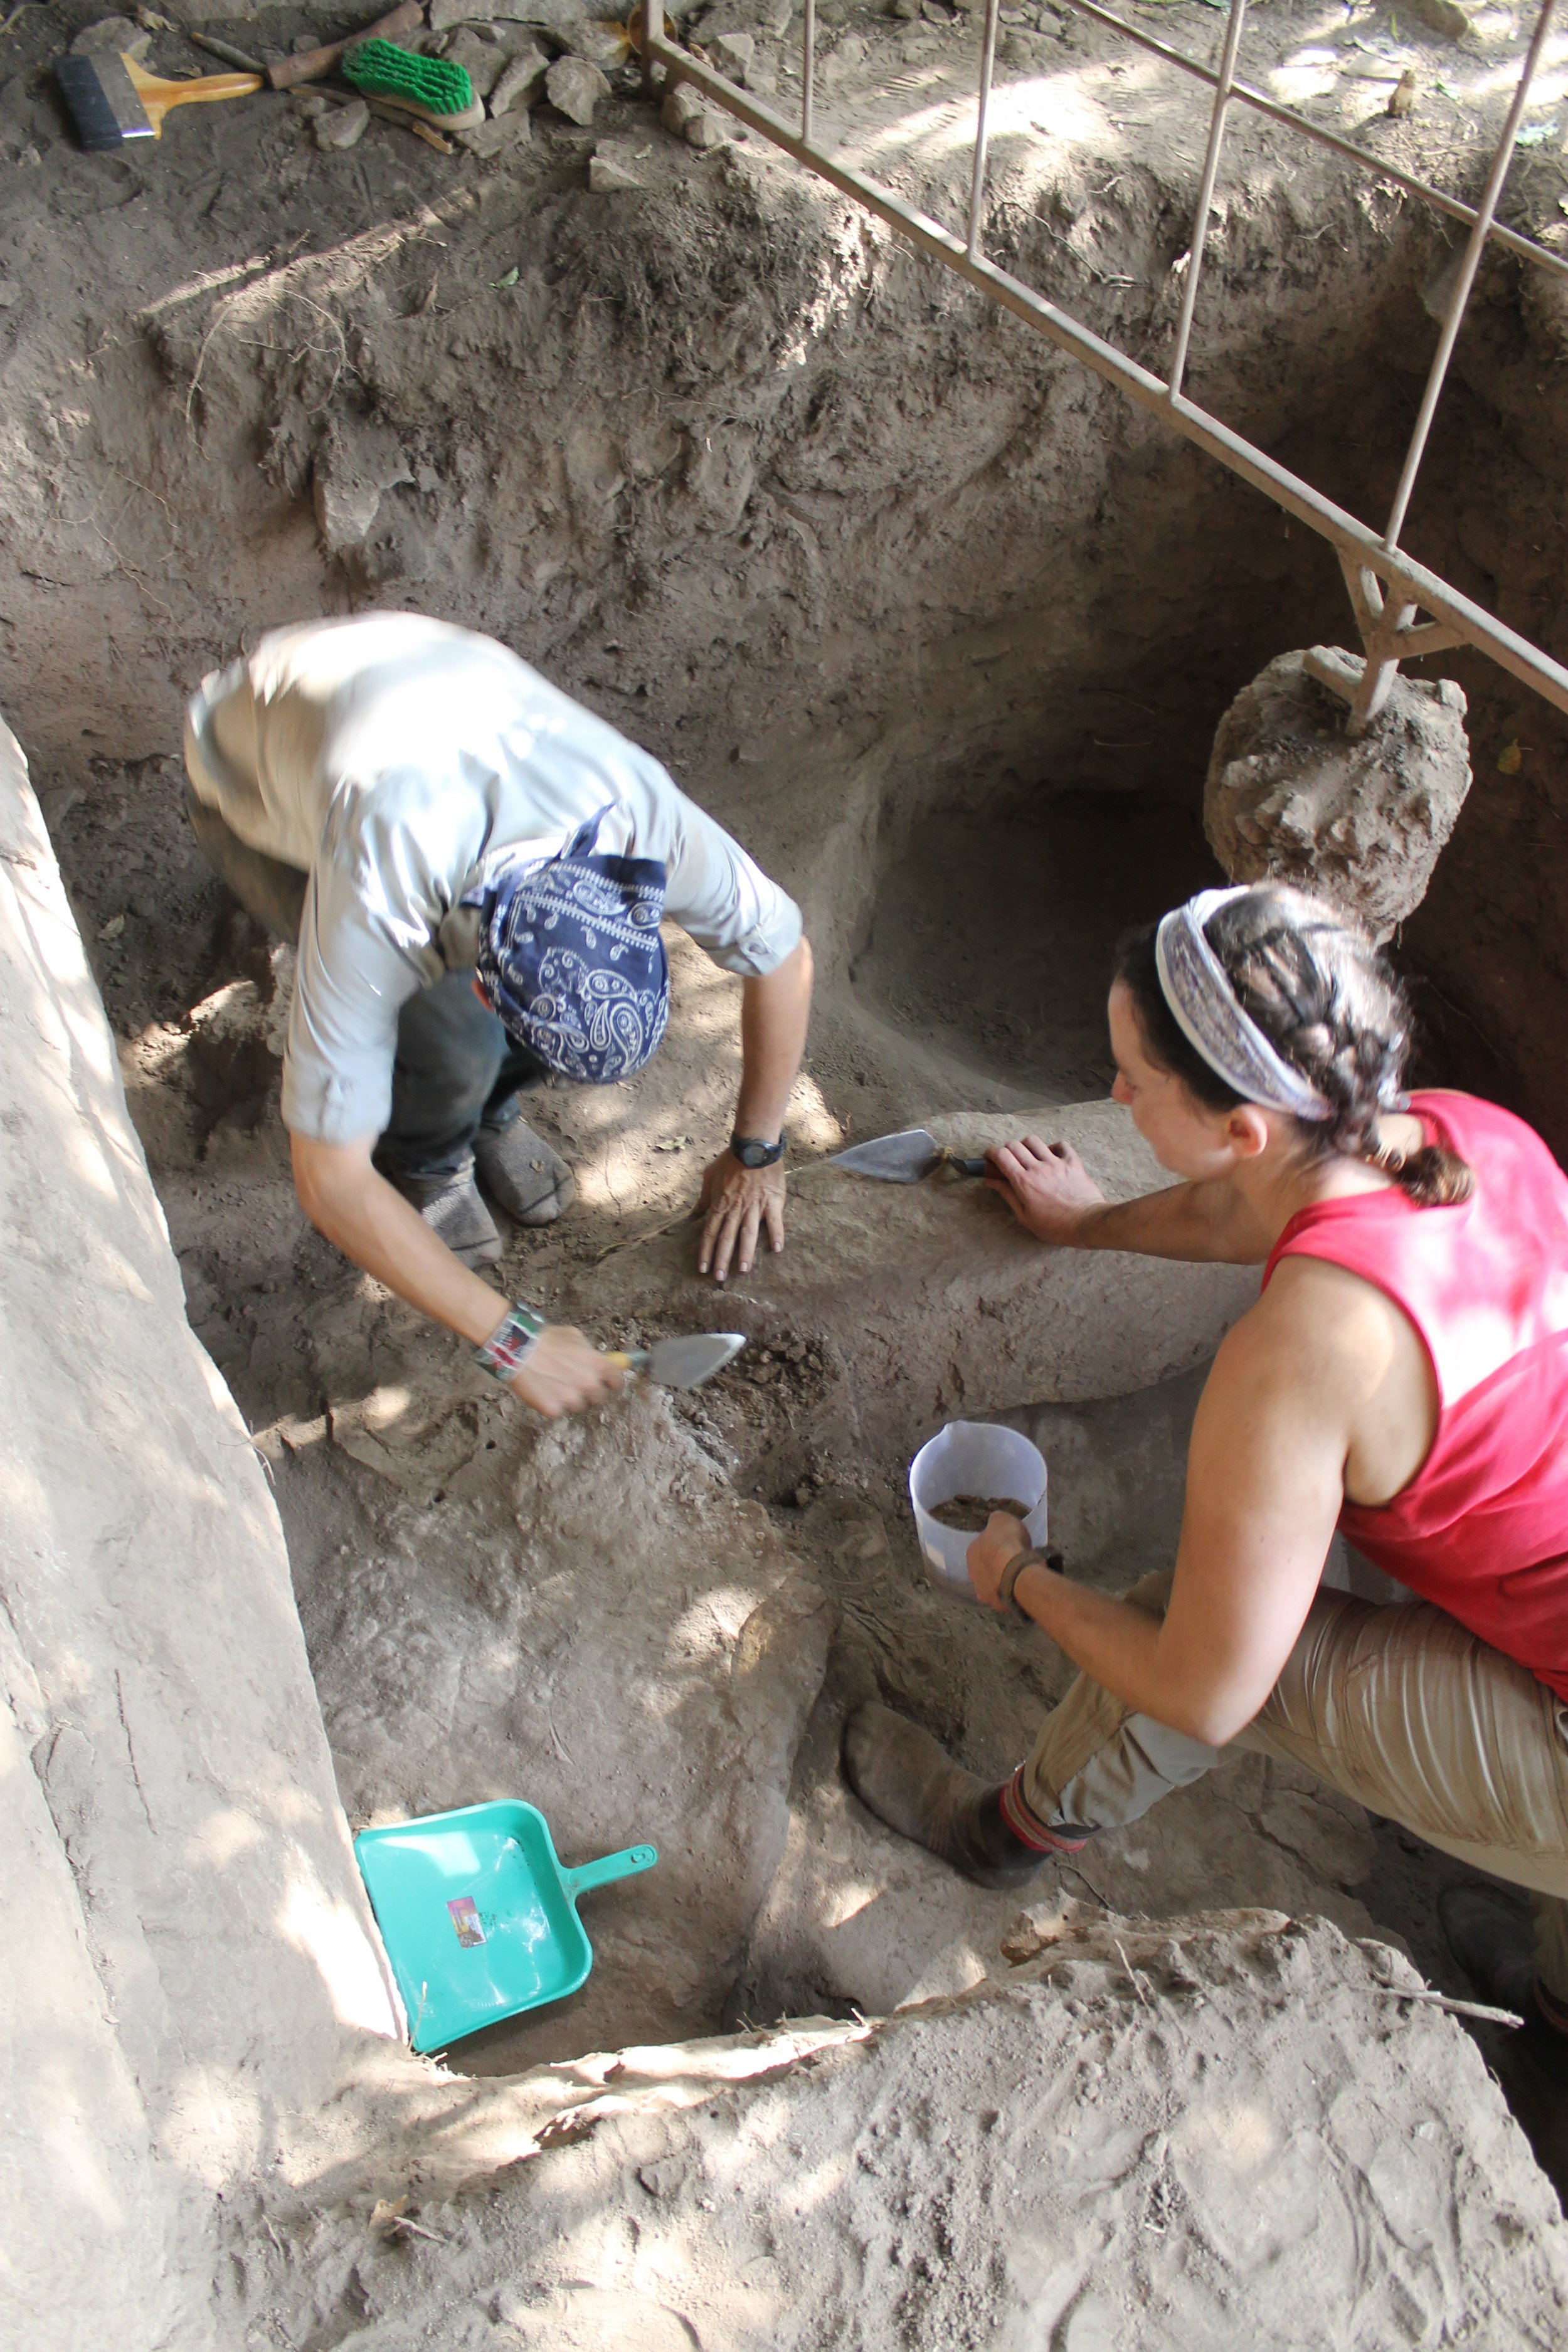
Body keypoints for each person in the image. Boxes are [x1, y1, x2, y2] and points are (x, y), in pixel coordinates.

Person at [844, 882, 1568, 2078]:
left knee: (1183, 1627)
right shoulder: (1448, 1132)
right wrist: (1088, 1224)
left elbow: (1205, 1690)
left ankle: (1001, 1832)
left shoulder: (1299, 1361)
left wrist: (1017, 1576)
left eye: (1131, 1076)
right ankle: (1553, 2010)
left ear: (1242, 1127)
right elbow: (1259, 1213)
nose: (1113, 1092)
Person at [183, 612, 813, 1419]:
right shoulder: (385, 882)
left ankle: (490, 1114)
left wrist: (757, 1150)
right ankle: (431, 1157)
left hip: (406, 706)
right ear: (484, 977)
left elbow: (785, 956)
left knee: (512, 1042)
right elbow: (329, 1180)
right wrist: (509, 1340)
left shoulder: (645, 818)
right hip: (254, 783)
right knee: (449, 1045)